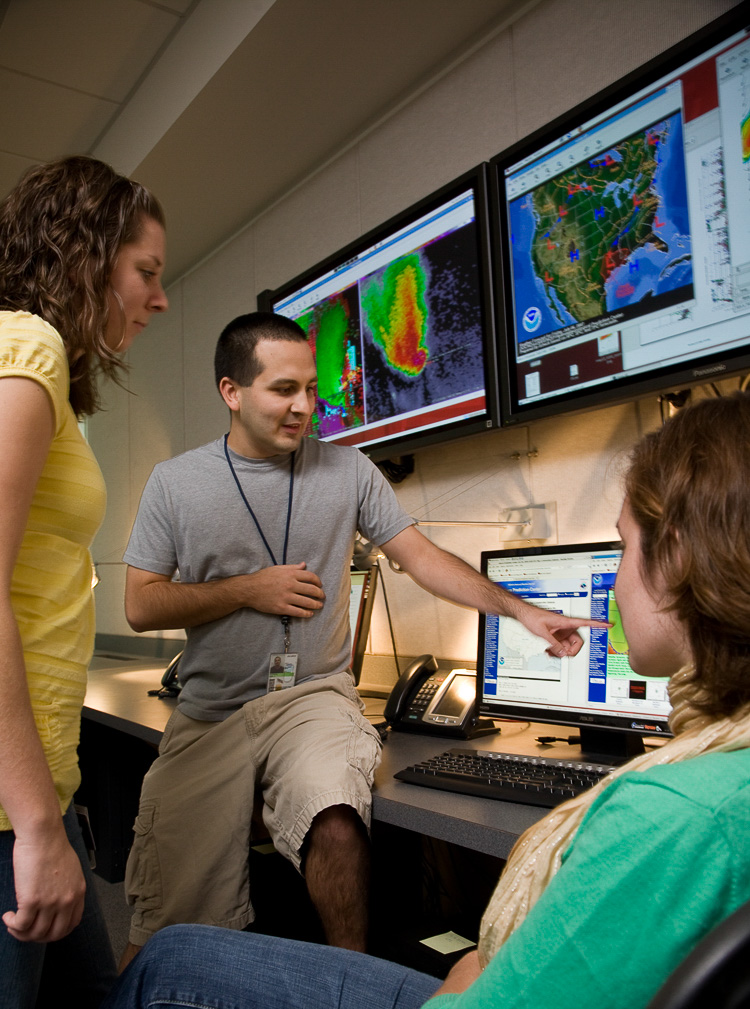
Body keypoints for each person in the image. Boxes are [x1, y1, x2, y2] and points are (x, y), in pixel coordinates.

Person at [43, 390, 750, 1009]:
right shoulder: (716, 776)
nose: (303, 404)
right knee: (169, 954)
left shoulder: (665, 819)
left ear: (681, 562)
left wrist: (472, 967)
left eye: (626, 546)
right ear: (231, 392)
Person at [118, 311, 595, 966]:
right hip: (212, 711)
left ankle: (355, 988)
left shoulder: (348, 470)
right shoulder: (176, 483)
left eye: (311, 389)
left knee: (336, 815)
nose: (303, 407)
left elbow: (422, 557)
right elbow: (140, 604)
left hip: (313, 695)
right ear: (231, 391)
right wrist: (247, 589)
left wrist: (521, 610)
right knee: (164, 915)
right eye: (283, 389)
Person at [0, 155, 168, 1009]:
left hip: (40, 789)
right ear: (86, 255)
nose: (155, 295)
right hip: (13, 809)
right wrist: (33, 827)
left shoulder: (41, 368)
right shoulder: (28, 348)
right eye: (143, 270)